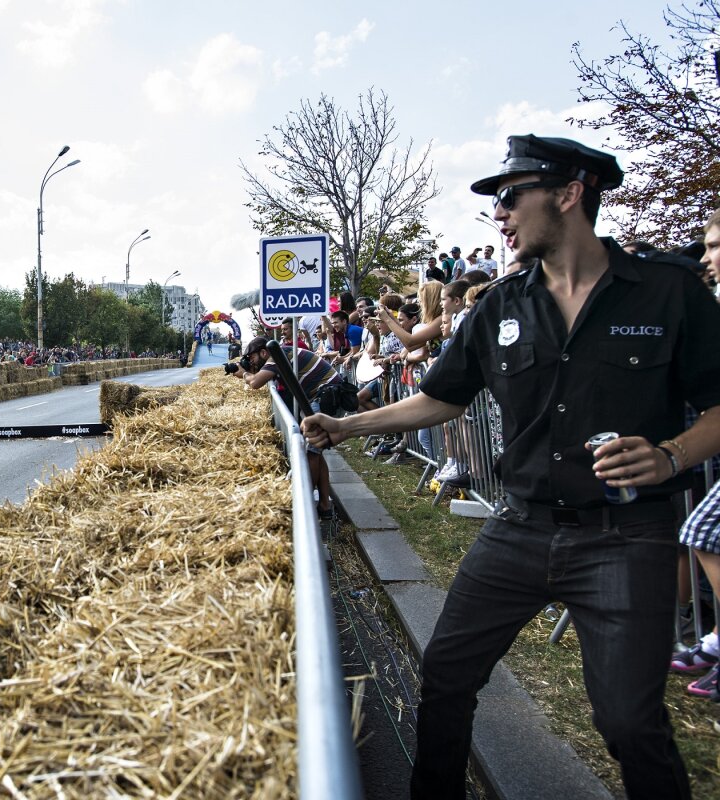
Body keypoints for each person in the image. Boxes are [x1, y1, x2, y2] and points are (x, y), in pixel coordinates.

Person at [302, 134, 720, 800]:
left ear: (568, 193)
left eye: (509, 196)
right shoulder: (500, 303)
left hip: (626, 537)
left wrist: (670, 454)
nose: (498, 214)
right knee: (444, 678)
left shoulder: (667, 293)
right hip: (518, 527)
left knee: (628, 722)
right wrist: (346, 425)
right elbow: (441, 398)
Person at [237, 336, 338, 521]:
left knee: (311, 453)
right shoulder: (281, 352)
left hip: (326, 394)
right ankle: (325, 506)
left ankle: (305, 506)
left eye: (252, 357)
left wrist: (244, 373)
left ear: (263, 352)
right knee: (317, 451)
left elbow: (255, 383)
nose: (251, 361)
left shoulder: (275, 355)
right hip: (325, 393)